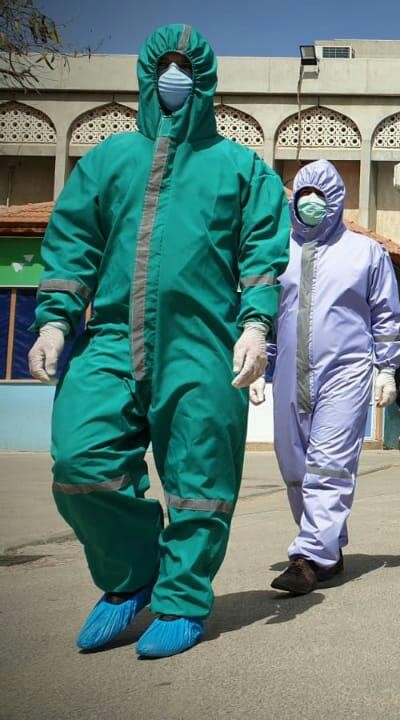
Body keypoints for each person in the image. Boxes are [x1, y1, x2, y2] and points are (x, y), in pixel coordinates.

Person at [27, 25, 290, 657]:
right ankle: (133, 574)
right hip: (111, 337)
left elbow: (262, 255)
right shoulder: (108, 159)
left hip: (203, 344)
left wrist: (255, 325)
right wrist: (56, 320)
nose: (175, 77)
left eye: (186, 67)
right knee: (80, 461)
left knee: (200, 481)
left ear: (206, 81)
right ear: (146, 76)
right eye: (165, 66)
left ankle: (182, 599)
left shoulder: (240, 168)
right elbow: (73, 243)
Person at [249, 159, 400, 595]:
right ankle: (327, 548)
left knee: (329, 464)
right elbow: (267, 312)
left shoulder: (365, 253)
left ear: (336, 201)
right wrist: (261, 362)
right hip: (288, 373)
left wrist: (386, 367)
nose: (311, 203)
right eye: (304, 195)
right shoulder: (277, 250)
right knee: (293, 463)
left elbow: (387, 314)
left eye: (321, 196)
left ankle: (308, 556)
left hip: (345, 372)